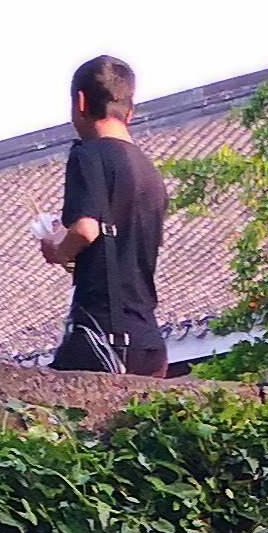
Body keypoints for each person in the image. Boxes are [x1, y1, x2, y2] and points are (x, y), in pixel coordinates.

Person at [38, 55, 171, 374]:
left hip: (101, 335)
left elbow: (86, 229)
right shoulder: (150, 172)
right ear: (130, 109)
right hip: (149, 340)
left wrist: (58, 249)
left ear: (80, 102)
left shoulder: (87, 154)